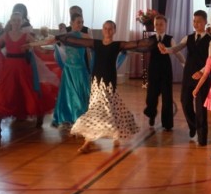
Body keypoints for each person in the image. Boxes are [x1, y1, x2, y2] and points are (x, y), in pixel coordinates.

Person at [59, 20, 150, 153]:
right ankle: (112, 135)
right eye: (105, 28)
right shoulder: (96, 43)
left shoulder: (117, 45)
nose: (107, 31)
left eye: (110, 28)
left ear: (114, 31)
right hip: (96, 82)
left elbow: (136, 44)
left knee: (101, 110)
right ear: (102, 30)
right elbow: (77, 41)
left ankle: (88, 143)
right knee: (108, 109)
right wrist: (59, 37)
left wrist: (154, 41)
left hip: (108, 82)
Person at [0, 12, 58, 139]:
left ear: (21, 22)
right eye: (14, 20)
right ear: (10, 21)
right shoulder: (5, 35)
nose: (16, 22)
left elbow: (40, 49)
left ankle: (39, 116)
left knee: (28, 91)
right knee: (4, 95)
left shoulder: (26, 35)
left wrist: (52, 46)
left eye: (18, 20)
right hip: (9, 69)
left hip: (23, 68)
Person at [159, 10, 211, 146]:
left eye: (199, 21)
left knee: (200, 107)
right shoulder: (188, 38)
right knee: (184, 102)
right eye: (194, 21)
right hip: (188, 75)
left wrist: (201, 72)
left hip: (202, 77)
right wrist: (166, 49)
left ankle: (202, 138)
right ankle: (193, 125)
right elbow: (176, 48)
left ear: (205, 22)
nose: (196, 24)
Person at [36, 13, 91, 128]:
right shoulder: (65, 36)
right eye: (78, 22)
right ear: (71, 23)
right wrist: (34, 45)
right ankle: (70, 116)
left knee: (81, 93)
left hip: (80, 69)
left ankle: (80, 117)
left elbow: (91, 50)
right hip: (69, 69)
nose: (80, 24)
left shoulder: (85, 36)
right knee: (69, 94)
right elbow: (50, 44)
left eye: (82, 22)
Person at [143, 14, 177, 131]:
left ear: (165, 25)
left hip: (166, 71)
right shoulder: (150, 39)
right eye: (156, 24)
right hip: (153, 70)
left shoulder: (170, 39)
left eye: (161, 24)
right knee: (151, 96)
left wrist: (184, 63)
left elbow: (175, 50)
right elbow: (141, 49)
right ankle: (152, 115)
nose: (158, 26)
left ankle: (167, 124)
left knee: (167, 98)